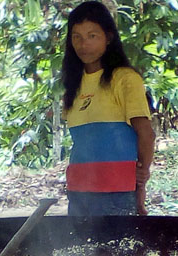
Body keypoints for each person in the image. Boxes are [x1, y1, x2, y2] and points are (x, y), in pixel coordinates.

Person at [61, 1, 155, 216]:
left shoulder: (125, 79)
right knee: (79, 249)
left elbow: (146, 134)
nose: (84, 44)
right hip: (78, 190)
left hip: (117, 190)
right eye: (77, 37)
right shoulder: (73, 85)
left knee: (116, 248)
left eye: (92, 36)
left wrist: (142, 176)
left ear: (108, 37)